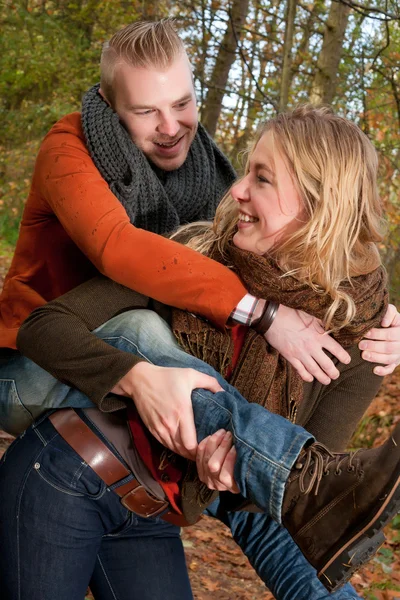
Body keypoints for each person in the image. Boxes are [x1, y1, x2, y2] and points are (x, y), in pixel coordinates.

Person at [3, 105, 400, 600]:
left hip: (149, 511)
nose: (236, 189)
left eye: (262, 177)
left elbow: (288, 511)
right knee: (142, 328)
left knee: (300, 498)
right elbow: (43, 328)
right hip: (67, 469)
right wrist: (137, 378)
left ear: (320, 206)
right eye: (246, 170)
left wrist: (229, 475)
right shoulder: (198, 263)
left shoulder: (362, 340)